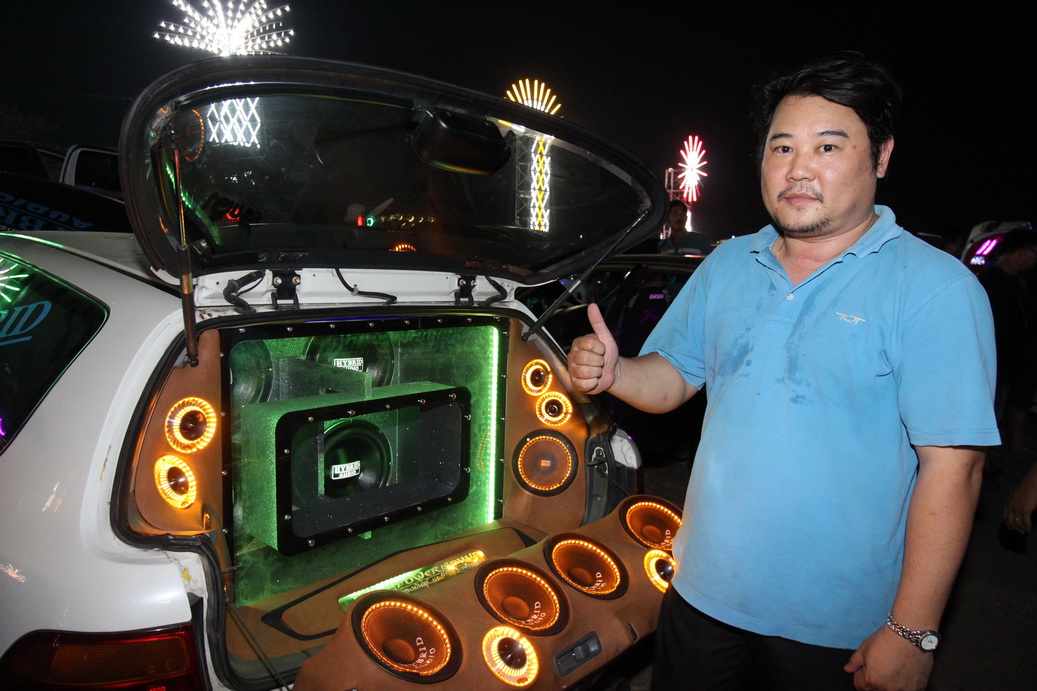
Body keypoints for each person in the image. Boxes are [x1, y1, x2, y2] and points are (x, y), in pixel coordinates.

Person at [568, 52, 999, 690]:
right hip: (701, 592)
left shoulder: (935, 288)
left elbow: (954, 468)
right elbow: (675, 378)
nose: (799, 169)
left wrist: (912, 630)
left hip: (837, 626)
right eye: (782, 147)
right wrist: (616, 373)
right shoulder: (727, 264)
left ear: (881, 158)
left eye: (828, 146)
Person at [978, 226, 1037, 459]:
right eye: (1034, 252)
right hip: (996, 360)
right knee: (989, 412)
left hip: (1014, 359)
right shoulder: (989, 282)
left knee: (1007, 407)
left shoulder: (1020, 283)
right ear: (1023, 251)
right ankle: (984, 464)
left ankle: (1003, 454)